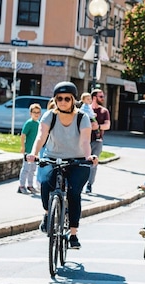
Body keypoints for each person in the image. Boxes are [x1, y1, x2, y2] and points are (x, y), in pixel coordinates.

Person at [26, 81, 98, 249]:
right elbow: (41, 136)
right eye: (59, 98)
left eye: (67, 98)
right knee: (45, 183)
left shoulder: (82, 117)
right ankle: (47, 214)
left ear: (73, 100)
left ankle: (73, 234)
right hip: (52, 157)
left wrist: (88, 156)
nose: (63, 101)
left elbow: (86, 141)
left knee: (73, 193)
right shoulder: (49, 116)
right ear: (55, 99)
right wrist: (34, 153)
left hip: (77, 161)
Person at [86, 88, 110, 194]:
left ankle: (89, 184)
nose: (103, 98)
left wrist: (98, 126)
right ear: (94, 97)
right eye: (101, 96)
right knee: (81, 163)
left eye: (103, 96)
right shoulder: (86, 109)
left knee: (93, 163)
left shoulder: (104, 111)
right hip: (84, 140)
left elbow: (107, 125)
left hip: (97, 140)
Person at [18, 103, 42, 194]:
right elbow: (23, 135)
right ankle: (21, 185)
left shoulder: (39, 124)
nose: (36, 114)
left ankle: (30, 185)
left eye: (38, 112)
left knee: (33, 169)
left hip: (35, 151)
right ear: (30, 113)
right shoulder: (29, 123)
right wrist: (23, 146)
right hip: (28, 150)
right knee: (26, 168)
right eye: (34, 112)